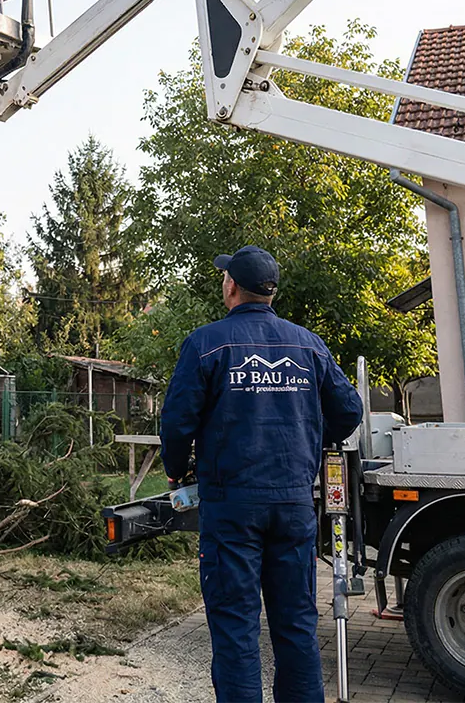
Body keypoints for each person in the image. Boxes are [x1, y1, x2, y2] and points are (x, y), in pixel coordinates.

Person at [160, 245, 363, 703]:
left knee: (235, 625)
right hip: (293, 503)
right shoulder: (307, 344)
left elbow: (176, 423)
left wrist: (177, 472)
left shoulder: (206, 343)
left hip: (232, 505)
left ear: (232, 285)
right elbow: (349, 410)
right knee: (296, 623)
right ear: (270, 292)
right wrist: (310, 439)